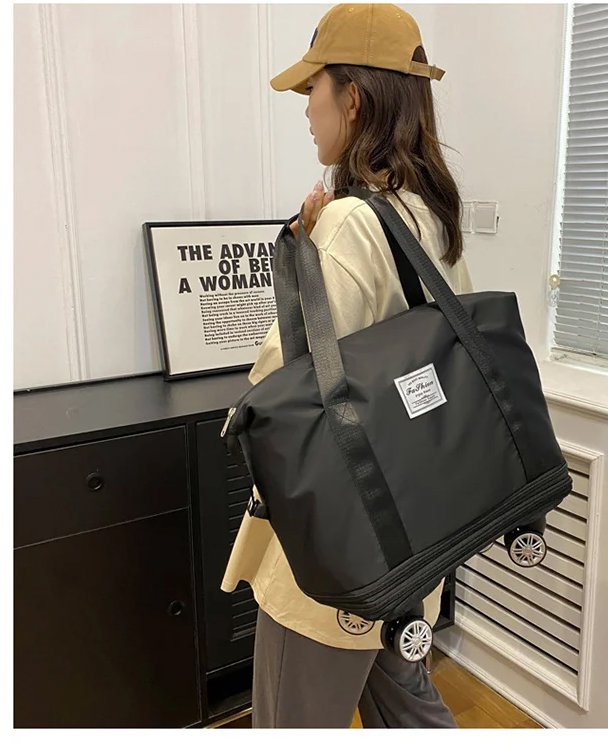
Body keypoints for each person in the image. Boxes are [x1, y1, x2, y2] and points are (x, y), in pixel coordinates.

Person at [220, 3, 474, 728]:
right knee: (408, 706)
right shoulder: (430, 215)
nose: (307, 109)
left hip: (340, 543)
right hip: (415, 526)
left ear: (353, 98)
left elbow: (280, 381)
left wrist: (301, 250)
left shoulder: (351, 222)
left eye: (314, 88)